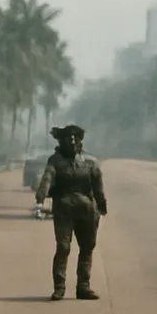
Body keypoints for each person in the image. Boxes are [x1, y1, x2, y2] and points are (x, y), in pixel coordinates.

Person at [35, 123, 107, 301]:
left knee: (87, 247)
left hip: (87, 211)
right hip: (64, 210)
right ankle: (59, 287)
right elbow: (47, 179)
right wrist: (40, 197)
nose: (72, 140)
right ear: (61, 141)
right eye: (68, 137)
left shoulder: (90, 163)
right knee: (63, 247)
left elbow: (98, 188)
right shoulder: (55, 161)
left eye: (75, 137)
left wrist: (102, 205)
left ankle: (83, 287)